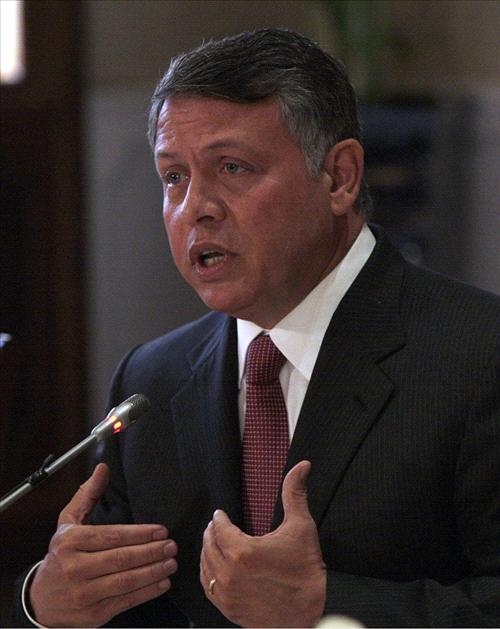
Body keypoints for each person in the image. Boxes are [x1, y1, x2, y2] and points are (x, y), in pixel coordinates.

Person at [12, 28, 500, 628]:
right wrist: (47, 604)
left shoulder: (480, 356)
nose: (196, 207)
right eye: (173, 177)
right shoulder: (151, 381)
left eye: (232, 167)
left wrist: (323, 607)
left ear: (340, 177)